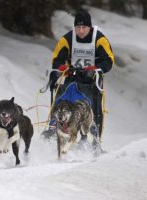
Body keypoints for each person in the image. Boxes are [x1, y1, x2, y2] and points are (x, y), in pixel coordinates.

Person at [42, 10, 114, 140]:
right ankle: (54, 129)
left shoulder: (99, 39)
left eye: (84, 27)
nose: (80, 31)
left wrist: (97, 68)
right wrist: (60, 68)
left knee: (92, 108)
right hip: (72, 77)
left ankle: (93, 138)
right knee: (62, 100)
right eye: (78, 27)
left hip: (92, 80)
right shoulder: (67, 39)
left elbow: (109, 60)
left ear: (90, 27)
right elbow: (57, 59)